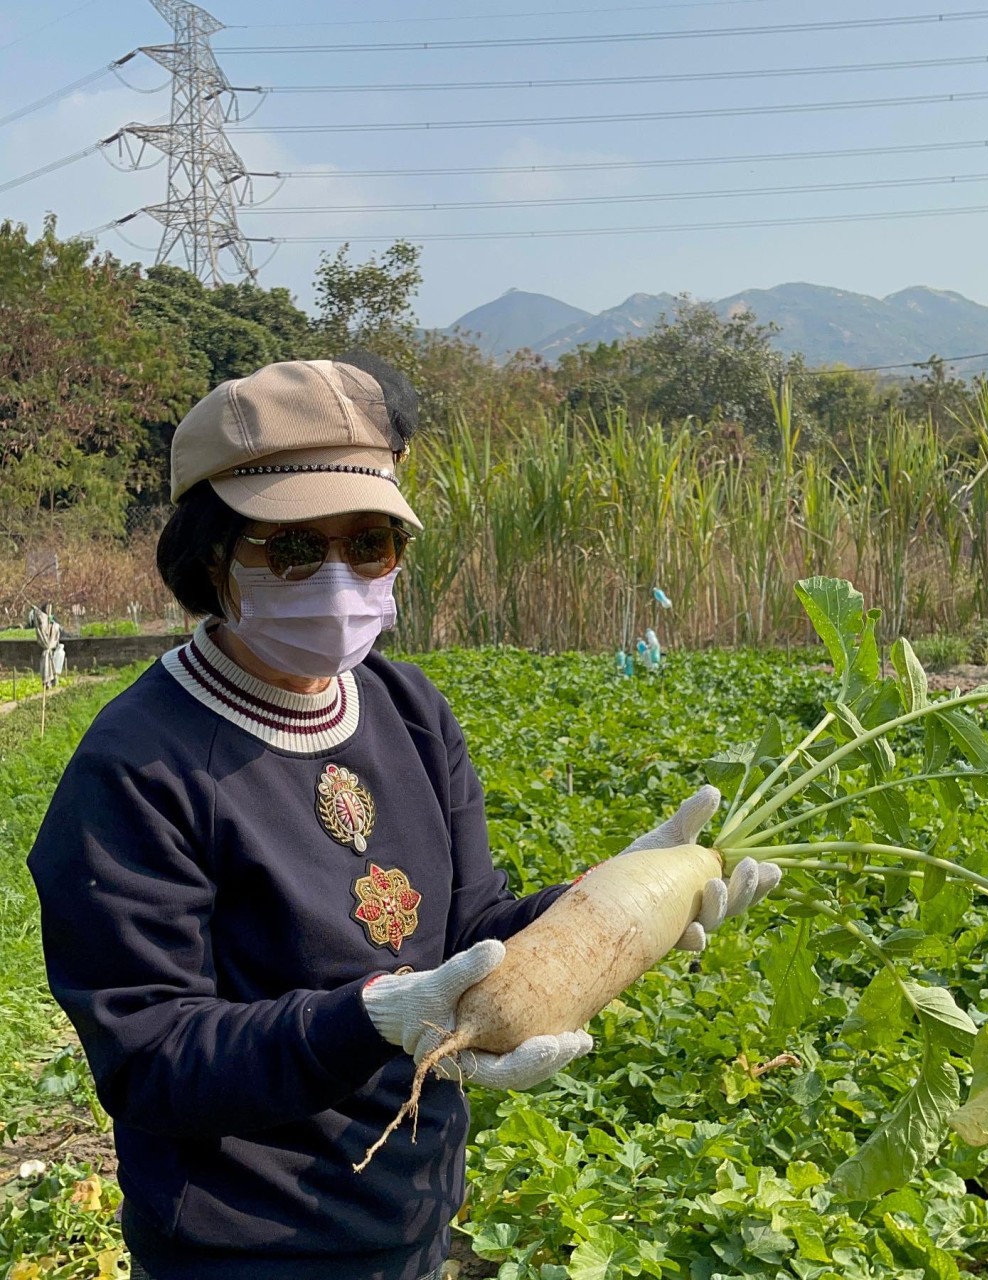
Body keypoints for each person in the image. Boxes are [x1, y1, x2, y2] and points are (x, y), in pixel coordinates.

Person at [27, 355, 779, 1280]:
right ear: (212, 554)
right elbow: (150, 1058)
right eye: (295, 546)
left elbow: (472, 929)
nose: (338, 575)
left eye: (372, 543)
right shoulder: (138, 768)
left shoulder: (407, 708)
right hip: (243, 1243)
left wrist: (610, 902)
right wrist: (371, 1019)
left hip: (413, 1203)